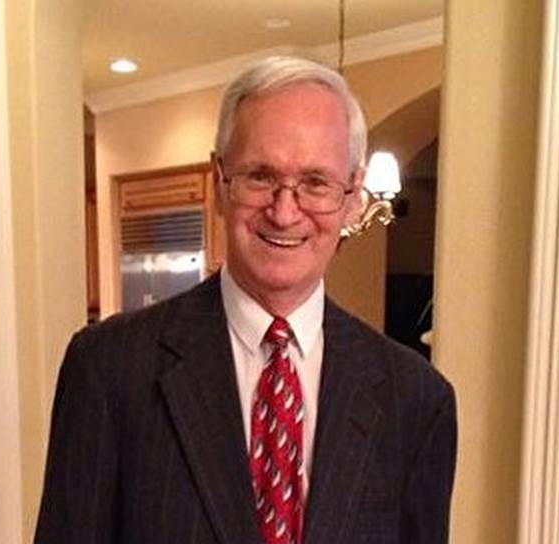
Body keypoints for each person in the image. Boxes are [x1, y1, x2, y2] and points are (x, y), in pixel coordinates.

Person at [35, 56, 457, 544]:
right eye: (260, 176)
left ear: (351, 196)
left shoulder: (417, 400)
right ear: (220, 182)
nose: (284, 211)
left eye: (315, 182)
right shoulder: (109, 368)